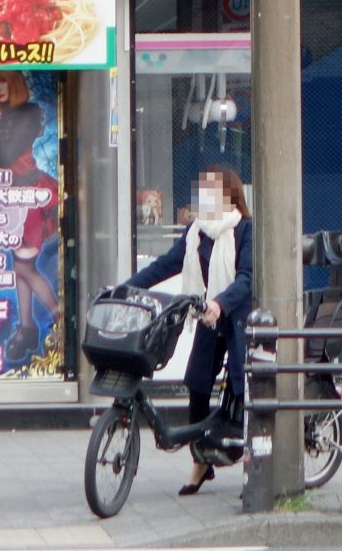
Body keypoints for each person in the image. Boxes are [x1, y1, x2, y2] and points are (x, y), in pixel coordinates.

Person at [126, 165, 252, 496]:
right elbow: (165, 264)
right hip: (208, 316)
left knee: (244, 387)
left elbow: (247, 278)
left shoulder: (244, 229)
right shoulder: (196, 231)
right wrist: (126, 288)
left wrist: (221, 303)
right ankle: (201, 462)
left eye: (211, 192)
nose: (203, 199)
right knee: (197, 383)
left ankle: (254, 465)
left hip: (237, 316)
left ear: (229, 195)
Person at [0, 89, 57, 364]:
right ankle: (27, 327)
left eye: (4, 81)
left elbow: (7, 152)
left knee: (25, 266)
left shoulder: (27, 113)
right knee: (20, 265)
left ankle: (57, 315)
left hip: (28, 195)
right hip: (8, 197)